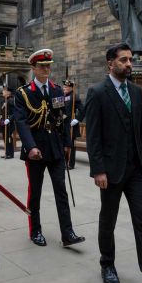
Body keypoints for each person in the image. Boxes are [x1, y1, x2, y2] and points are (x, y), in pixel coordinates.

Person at [85, 43, 142, 283]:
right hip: (111, 171)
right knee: (108, 220)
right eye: (123, 60)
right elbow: (93, 137)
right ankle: (107, 265)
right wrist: (98, 170)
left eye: (130, 60)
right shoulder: (97, 92)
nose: (128, 64)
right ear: (110, 63)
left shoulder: (135, 92)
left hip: (135, 169)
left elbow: (141, 130)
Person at [14, 48, 85, 247]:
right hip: (36, 151)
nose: (46, 70)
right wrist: (31, 147)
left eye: (48, 66)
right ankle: (35, 230)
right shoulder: (24, 93)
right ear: (33, 68)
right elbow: (21, 122)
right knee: (34, 192)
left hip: (55, 149)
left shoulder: (56, 90)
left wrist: (66, 144)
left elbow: (62, 118)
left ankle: (67, 232)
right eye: (42, 66)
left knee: (61, 190)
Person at [62, 79, 84, 170]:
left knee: (71, 145)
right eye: (64, 86)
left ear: (71, 88)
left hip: (71, 124)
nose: (65, 88)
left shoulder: (74, 96)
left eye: (67, 87)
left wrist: (77, 119)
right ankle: (63, 162)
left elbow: (83, 110)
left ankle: (70, 164)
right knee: (63, 144)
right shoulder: (62, 96)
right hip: (63, 124)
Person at [0, 86, 15, 159]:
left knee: (8, 137)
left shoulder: (11, 100)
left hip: (9, 122)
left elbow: (15, 113)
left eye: (4, 91)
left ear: (8, 93)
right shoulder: (4, 100)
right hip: (4, 121)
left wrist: (9, 119)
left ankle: (10, 154)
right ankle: (6, 152)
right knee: (5, 137)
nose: (2, 92)